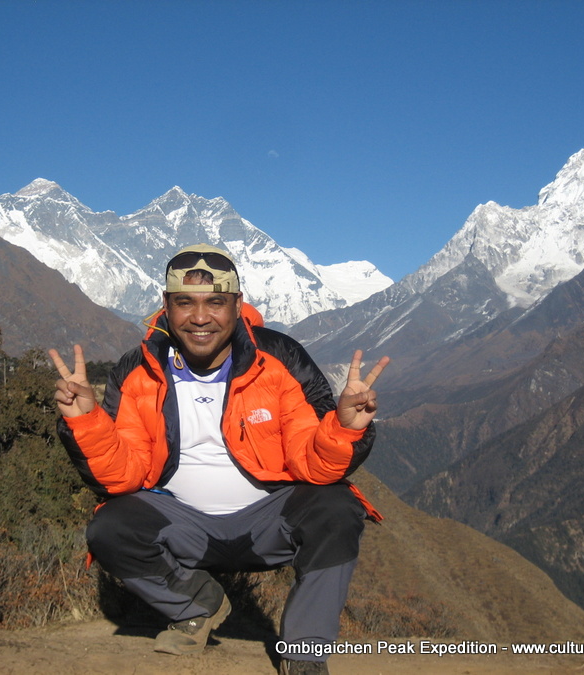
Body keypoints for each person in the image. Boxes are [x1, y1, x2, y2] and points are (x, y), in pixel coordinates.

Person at [50, 243, 389, 675]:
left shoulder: (280, 360)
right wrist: (86, 422)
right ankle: (197, 605)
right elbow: (122, 476)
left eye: (216, 302)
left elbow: (312, 465)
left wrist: (344, 428)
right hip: (182, 522)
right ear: (166, 308)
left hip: (269, 518)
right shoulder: (138, 370)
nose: (200, 317)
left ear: (237, 306)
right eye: (184, 302)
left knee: (337, 509)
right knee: (111, 527)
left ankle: (304, 652)